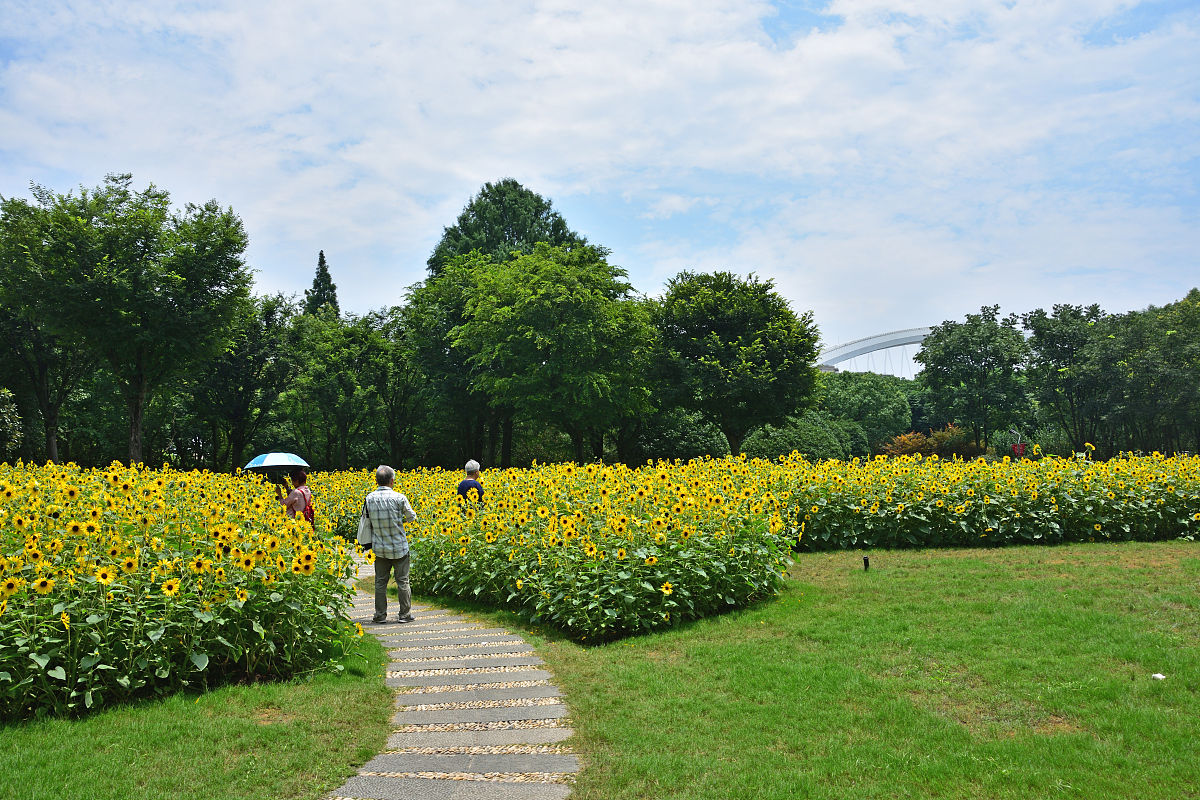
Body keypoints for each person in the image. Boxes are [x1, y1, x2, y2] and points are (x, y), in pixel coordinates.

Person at [361, 465, 418, 623]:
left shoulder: (369, 498)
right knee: (403, 581)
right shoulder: (399, 498)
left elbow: (366, 520)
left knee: (380, 582)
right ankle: (404, 615)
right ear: (392, 481)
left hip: (379, 547)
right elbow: (411, 517)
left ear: (376, 481)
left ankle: (380, 615)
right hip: (399, 547)